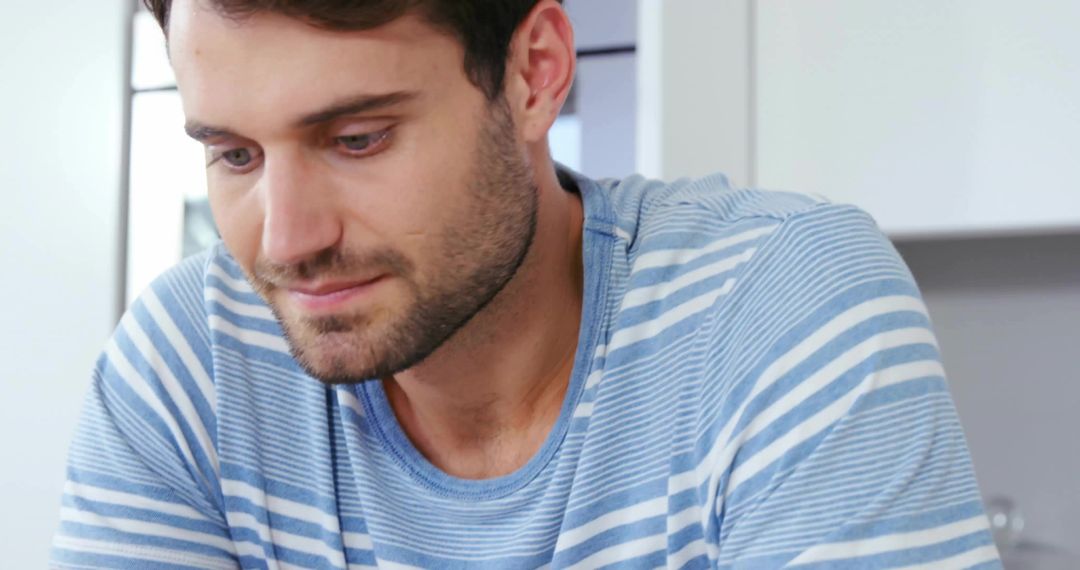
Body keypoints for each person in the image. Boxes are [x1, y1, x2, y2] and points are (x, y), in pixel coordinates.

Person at [52, 0, 1002, 568]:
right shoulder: (194, 365)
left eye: (357, 138)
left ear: (534, 74)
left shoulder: (776, 306)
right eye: (234, 154)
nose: (288, 240)